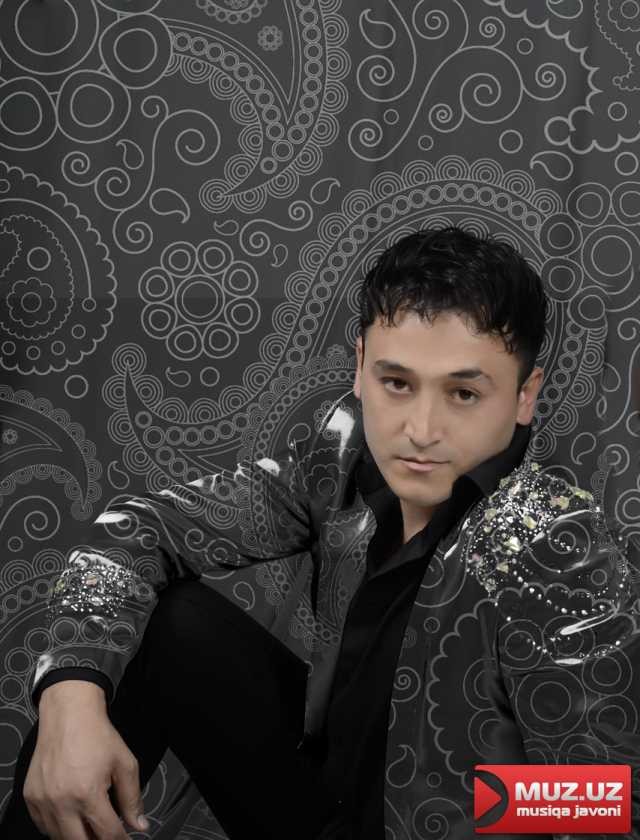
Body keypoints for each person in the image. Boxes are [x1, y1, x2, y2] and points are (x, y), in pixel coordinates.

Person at [2, 226, 638, 840]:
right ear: (360, 367)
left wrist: (460, 805)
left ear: (525, 395)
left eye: (464, 394)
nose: (421, 430)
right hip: (322, 810)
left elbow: (610, 800)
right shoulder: (340, 464)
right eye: (397, 383)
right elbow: (138, 529)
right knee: (171, 625)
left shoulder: (556, 548)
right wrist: (67, 697)